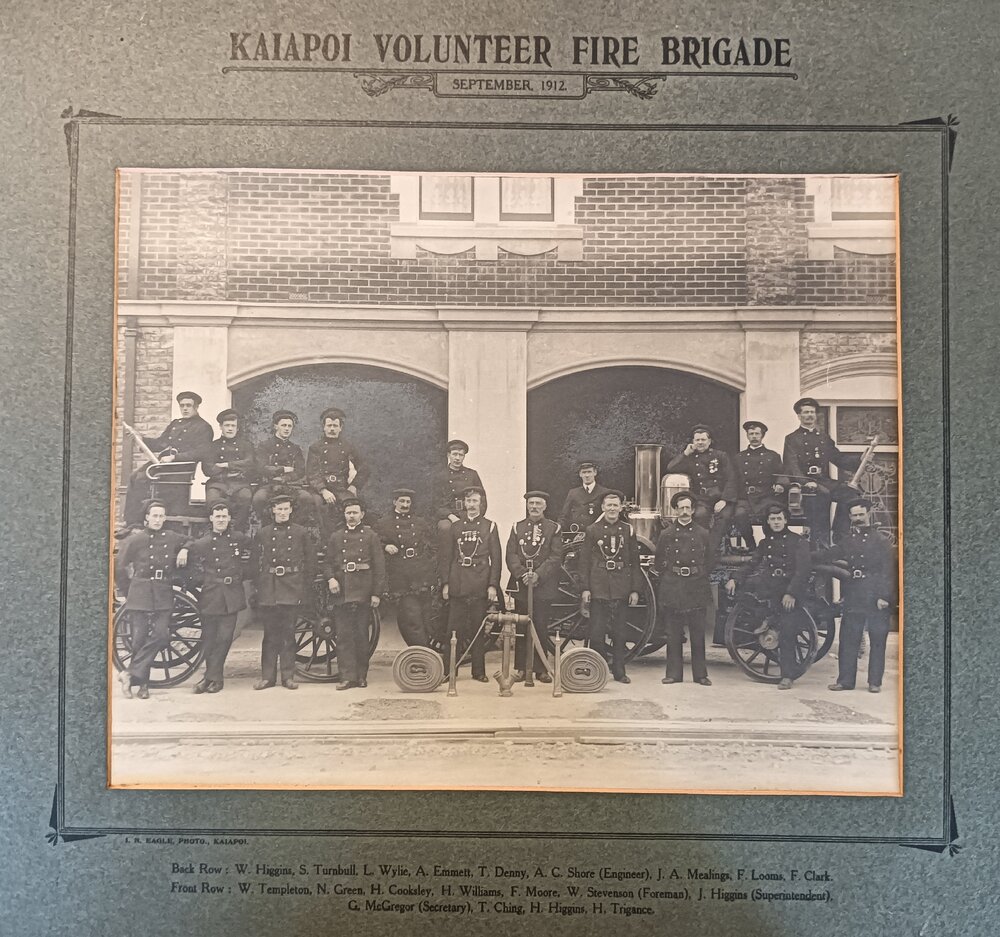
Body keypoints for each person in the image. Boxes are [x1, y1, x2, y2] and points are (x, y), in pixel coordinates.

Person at [725, 503, 811, 690]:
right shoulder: (766, 542)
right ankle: (762, 622)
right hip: (771, 588)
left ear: (786, 520)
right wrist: (735, 578)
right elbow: (753, 563)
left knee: (787, 632)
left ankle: (787, 676)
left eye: (779, 518)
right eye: (772, 519)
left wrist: (791, 593)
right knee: (745, 595)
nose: (776, 522)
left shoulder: (798, 541)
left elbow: (803, 571)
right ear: (769, 522)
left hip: (788, 591)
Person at [816, 498, 897, 693]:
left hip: (876, 595)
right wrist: (804, 555)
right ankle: (845, 681)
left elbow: (889, 571)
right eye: (854, 515)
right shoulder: (849, 540)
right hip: (854, 592)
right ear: (850, 517)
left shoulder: (881, 540)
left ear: (869, 514)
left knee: (878, 638)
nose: (858, 518)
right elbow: (831, 554)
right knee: (848, 638)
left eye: (861, 514)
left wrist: (884, 597)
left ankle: (874, 682)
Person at [114, 500, 188, 699]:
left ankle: (129, 674)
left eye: (161, 516)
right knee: (138, 639)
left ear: (165, 518)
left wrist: (184, 549)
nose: (157, 520)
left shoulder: (171, 537)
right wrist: (129, 590)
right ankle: (142, 684)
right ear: (146, 518)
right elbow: (119, 566)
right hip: (140, 592)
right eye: (154, 516)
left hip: (163, 591)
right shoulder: (136, 540)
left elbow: (189, 541)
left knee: (161, 635)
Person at [183, 501, 252, 693]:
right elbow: (191, 563)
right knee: (210, 638)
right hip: (211, 594)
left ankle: (212, 678)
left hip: (231, 594)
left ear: (229, 518)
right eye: (217, 516)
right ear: (211, 519)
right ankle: (212, 679)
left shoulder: (239, 538)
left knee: (224, 638)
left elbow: (257, 551)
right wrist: (201, 580)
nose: (221, 520)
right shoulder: (203, 542)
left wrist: (243, 574)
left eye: (224, 516)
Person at [252, 493, 317, 690]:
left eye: (285, 508)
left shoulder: (301, 533)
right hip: (270, 587)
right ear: (273, 511)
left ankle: (288, 677)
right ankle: (267, 677)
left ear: (291, 510)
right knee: (270, 634)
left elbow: (311, 561)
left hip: (291, 585)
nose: (282, 512)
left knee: (289, 634)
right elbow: (255, 561)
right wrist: (259, 585)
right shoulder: (263, 533)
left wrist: (304, 587)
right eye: (278, 509)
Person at [122, 390, 213, 527]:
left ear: (196, 407)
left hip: (180, 469)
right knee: (134, 476)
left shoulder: (203, 427)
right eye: (182, 406)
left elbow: (201, 452)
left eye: (188, 405)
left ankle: (140, 520)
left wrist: (174, 458)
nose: (185, 409)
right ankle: (131, 522)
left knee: (142, 478)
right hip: (164, 465)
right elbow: (161, 443)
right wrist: (141, 438)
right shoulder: (175, 423)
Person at [438, 486, 502, 683]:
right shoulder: (455, 527)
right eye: (469, 502)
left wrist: (492, 585)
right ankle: (450, 671)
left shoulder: (489, 526)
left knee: (477, 628)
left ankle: (478, 671)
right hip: (458, 582)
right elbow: (447, 558)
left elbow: (496, 559)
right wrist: (446, 584)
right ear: (463, 504)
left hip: (480, 582)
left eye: (475, 501)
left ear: (481, 503)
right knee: (453, 630)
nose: (472, 505)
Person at [580, 490, 642, 684]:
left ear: (621, 507)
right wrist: (586, 588)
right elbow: (584, 562)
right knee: (597, 631)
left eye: (616, 505)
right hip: (598, 585)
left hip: (621, 585)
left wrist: (634, 590)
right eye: (609, 505)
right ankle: (599, 671)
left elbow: (635, 562)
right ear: (603, 508)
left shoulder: (628, 530)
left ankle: (619, 671)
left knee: (619, 631)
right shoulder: (592, 530)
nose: (612, 509)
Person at [324, 498, 386, 691]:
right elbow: (327, 563)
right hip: (342, 590)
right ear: (344, 515)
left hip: (363, 590)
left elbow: (379, 567)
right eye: (348, 513)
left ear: (362, 514)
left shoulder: (370, 536)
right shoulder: (336, 536)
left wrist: (376, 593)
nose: (351, 516)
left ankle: (361, 676)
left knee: (360, 635)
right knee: (343, 636)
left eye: (354, 513)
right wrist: (330, 579)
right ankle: (346, 677)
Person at [654, 490, 713, 686]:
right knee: (673, 633)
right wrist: (671, 578)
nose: (685, 512)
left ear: (693, 510)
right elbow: (659, 561)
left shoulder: (703, 533)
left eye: (688, 508)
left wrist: (700, 574)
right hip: (674, 585)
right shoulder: (666, 534)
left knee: (697, 633)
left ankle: (700, 675)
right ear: (676, 511)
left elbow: (711, 559)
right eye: (681, 508)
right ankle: (673, 674)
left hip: (696, 585)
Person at [782, 397, 859, 546]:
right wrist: (805, 482)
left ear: (816, 415)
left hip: (825, 481)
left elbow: (838, 459)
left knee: (850, 494)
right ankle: (820, 544)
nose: (810, 415)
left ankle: (839, 534)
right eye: (806, 412)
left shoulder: (824, 438)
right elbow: (792, 466)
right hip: (806, 484)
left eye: (812, 412)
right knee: (821, 496)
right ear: (799, 416)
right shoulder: (792, 439)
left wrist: (860, 459)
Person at [505, 490, 563, 684]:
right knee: (521, 626)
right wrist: (521, 574)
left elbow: (555, 557)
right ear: (527, 506)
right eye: (531, 503)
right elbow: (511, 554)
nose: (534, 507)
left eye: (538, 503)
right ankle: (520, 668)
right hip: (522, 584)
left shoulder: (553, 528)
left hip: (543, 585)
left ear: (545, 506)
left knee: (540, 625)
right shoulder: (517, 527)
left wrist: (538, 575)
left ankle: (541, 669)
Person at [374, 488, 438, 647]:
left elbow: (433, 547)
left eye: (408, 501)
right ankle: (423, 656)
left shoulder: (420, 523)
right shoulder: (384, 523)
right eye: (402, 501)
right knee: (411, 617)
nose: (405, 505)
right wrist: (385, 546)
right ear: (394, 502)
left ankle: (423, 655)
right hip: (400, 576)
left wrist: (429, 568)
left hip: (420, 573)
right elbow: (373, 546)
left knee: (425, 617)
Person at [666, 424, 737, 561]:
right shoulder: (689, 458)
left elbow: (731, 478)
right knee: (699, 515)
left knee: (724, 517)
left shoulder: (720, 456)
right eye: (697, 440)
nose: (700, 443)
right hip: (701, 498)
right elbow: (671, 468)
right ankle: (700, 548)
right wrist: (685, 453)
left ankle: (712, 551)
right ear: (692, 442)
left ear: (709, 441)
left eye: (703, 440)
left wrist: (724, 500)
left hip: (720, 498)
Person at [306, 407, 369, 536]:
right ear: (323, 427)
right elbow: (312, 473)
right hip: (321, 489)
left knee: (352, 503)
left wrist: (354, 485)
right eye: (329, 425)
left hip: (341, 488)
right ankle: (326, 541)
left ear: (341, 428)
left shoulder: (348, 447)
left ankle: (350, 539)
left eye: (335, 426)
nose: (332, 429)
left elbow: (364, 467)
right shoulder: (315, 448)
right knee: (319, 504)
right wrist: (323, 490)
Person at [253, 409, 317, 528]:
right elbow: (261, 467)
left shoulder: (295, 448)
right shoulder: (264, 446)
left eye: (289, 426)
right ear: (276, 426)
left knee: (306, 498)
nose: (287, 429)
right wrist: (283, 469)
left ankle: (295, 528)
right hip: (269, 485)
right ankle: (267, 528)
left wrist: (286, 477)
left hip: (290, 485)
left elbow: (300, 470)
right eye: (283, 425)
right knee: (259, 499)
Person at [733, 420, 786, 550]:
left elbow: (782, 474)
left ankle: (770, 546)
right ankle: (751, 545)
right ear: (747, 436)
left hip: (765, 495)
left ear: (762, 436)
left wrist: (780, 484)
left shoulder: (772, 456)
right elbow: (732, 479)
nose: (754, 436)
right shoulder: (739, 457)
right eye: (751, 434)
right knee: (739, 514)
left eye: (757, 433)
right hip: (745, 497)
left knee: (770, 513)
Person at [201, 409, 257, 533]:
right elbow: (208, 469)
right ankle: (214, 533)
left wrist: (226, 465)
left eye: (233, 426)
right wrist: (237, 468)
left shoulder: (246, 445)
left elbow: (250, 464)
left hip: (239, 484)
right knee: (213, 499)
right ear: (221, 427)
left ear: (237, 429)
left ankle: (238, 534)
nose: (230, 429)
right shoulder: (212, 446)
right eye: (227, 425)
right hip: (217, 483)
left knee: (245, 497)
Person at [433, 439, 485, 533]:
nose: (457, 458)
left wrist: (474, 515)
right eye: (455, 454)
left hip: (469, 513)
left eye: (461, 455)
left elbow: (482, 499)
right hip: (449, 516)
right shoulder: (440, 476)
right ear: (449, 455)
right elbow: (436, 503)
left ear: (464, 456)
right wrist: (451, 517)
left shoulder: (472, 475)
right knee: (445, 528)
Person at [557, 461, 612, 533]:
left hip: (598, 534)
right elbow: (564, 515)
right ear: (580, 474)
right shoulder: (573, 493)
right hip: (578, 535)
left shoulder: (604, 492)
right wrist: (558, 527)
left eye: (589, 472)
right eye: (584, 472)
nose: (587, 475)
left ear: (595, 473)